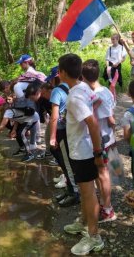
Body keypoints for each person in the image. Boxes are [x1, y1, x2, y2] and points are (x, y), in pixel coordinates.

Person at [60, 53, 105, 255]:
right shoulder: (84, 86)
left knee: (88, 194)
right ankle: (83, 222)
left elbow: (93, 124)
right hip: (83, 148)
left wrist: (98, 152)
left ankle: (94, 237)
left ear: (61, 72)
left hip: (84, 151)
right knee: (86, 191)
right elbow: (96, 104)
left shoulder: (74, 96)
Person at [81, 59, 117, 223]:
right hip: (107, 137)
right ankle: (104, 204)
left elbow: (99, 119)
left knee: (102, 174)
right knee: (101, 173)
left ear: (83, 76)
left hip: (100, 140)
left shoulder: (94, 95)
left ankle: (107, 209)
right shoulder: (106, 91)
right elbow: (111, 118)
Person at [48, 66, 80, 207]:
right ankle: (70, 189)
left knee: (66, 163)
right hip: (72, 129)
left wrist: (52, 136)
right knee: (69, 162)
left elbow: (54, 116)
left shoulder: (56, 91)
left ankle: (74, 193)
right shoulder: (75, 87)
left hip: (62, 130)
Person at [0, 96, 40, 163]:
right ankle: (22, 149)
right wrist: (14, 129)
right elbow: (17, 118)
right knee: (17, 133)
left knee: (21, 134)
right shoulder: (8, 108)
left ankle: (29, 154)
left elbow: (2, 126)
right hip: (24, 119)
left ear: (1, 105)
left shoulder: (8, 111)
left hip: (32, 118)